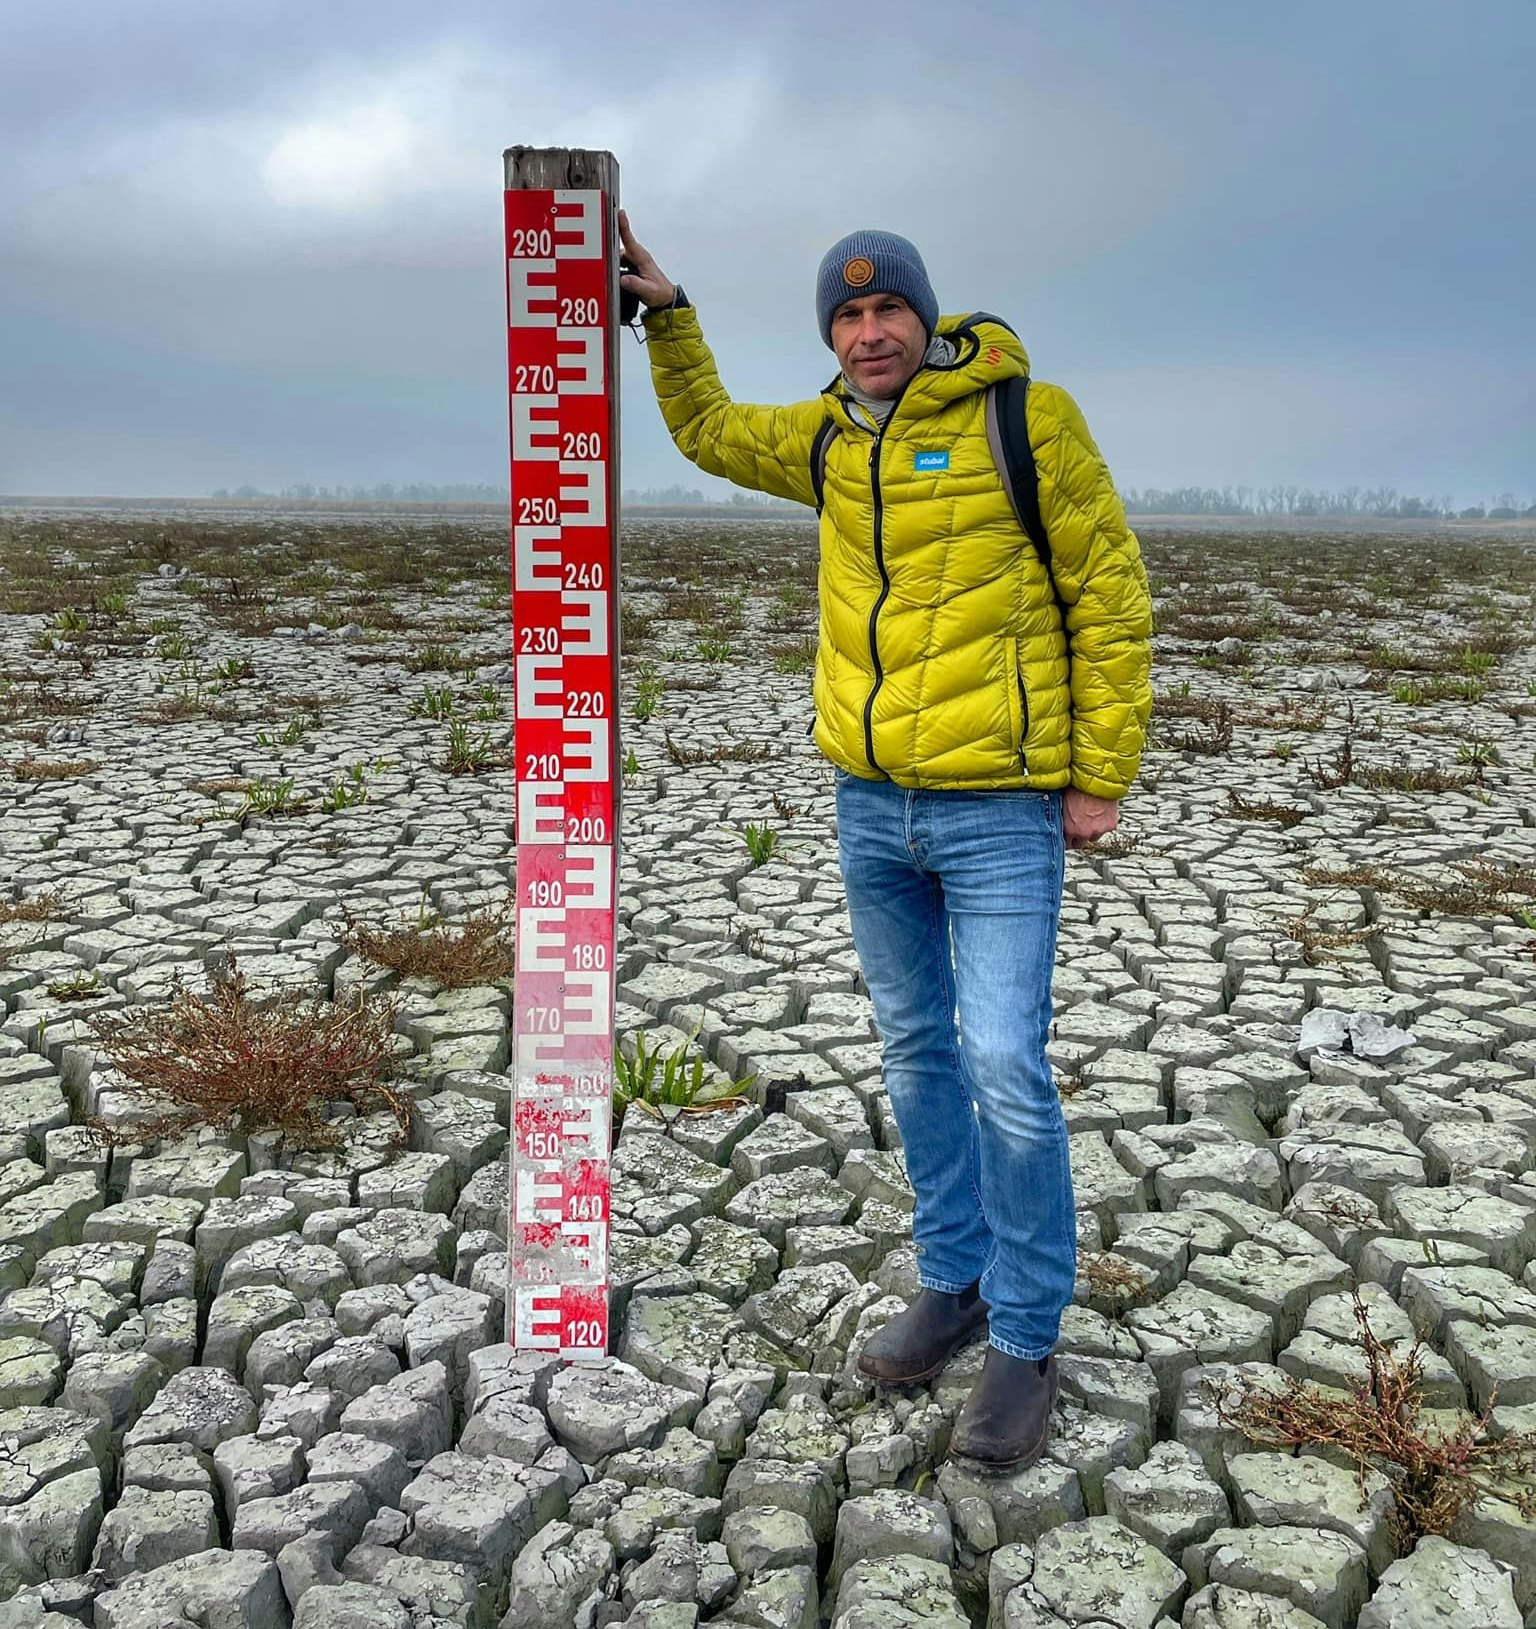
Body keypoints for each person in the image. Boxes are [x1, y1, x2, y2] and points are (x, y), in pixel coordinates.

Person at [619, 216, 1153, 1470]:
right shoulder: (822, 442)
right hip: (871, 802)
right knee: (917, 1053)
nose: (868, 335)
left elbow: (1110, 590)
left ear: (924, 315)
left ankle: (1026, 1338)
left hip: (1002, 808)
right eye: (846, 320)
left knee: (1005, 1065)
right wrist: (668, 313)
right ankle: (953, 1282)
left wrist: (1098, 775)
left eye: (886, 313)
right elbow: (707, 432)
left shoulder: (1026, 418)